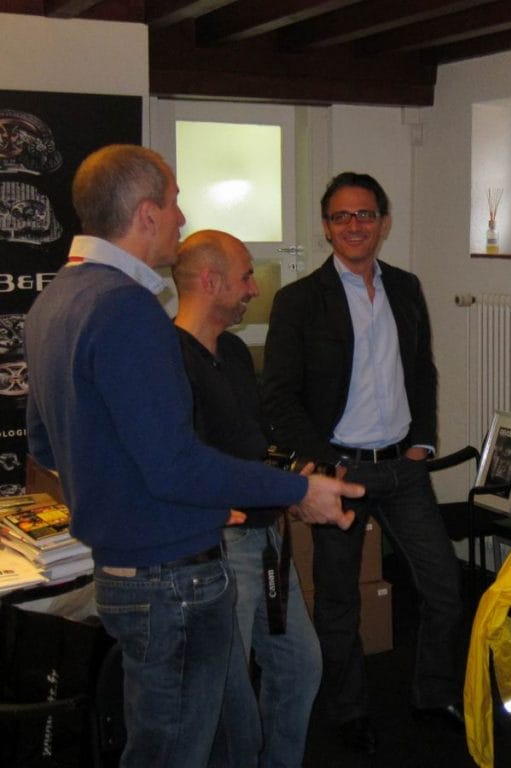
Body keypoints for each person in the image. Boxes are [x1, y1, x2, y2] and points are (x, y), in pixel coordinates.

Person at [24, 144, 362, 768]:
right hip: (169, 578)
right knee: (174, 753)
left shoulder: (54, 299)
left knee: (219, 742)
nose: (181, 219)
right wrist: (298, 490)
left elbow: (46, 445)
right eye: (175, 203)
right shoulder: (126, 308)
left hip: (129, 570)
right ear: (146, 213)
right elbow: (175, 464)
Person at [262, 171, 463, 753]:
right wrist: (322, 464)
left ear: (383, 222)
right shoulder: (299, 301)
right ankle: (348, 711)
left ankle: (432, 693)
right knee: (338, 600)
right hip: (340, 473)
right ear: (326, 228)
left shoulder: (405, 286)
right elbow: (278, 396)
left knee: (444, 588)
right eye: (342, 216)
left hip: (403, 467)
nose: (355, 225)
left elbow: (421, 369)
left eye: (366, 214)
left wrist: (423, 441)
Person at [172, 229, 322, 768]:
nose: (254, 290)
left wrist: (291, 479)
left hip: (267, 539)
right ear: (210, 282)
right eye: (246, 277)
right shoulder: (169, 360)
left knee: (299, 665)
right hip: (220, 547)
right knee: (226, 692)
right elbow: (186, 464)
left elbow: (253, 441)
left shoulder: (234, 351)